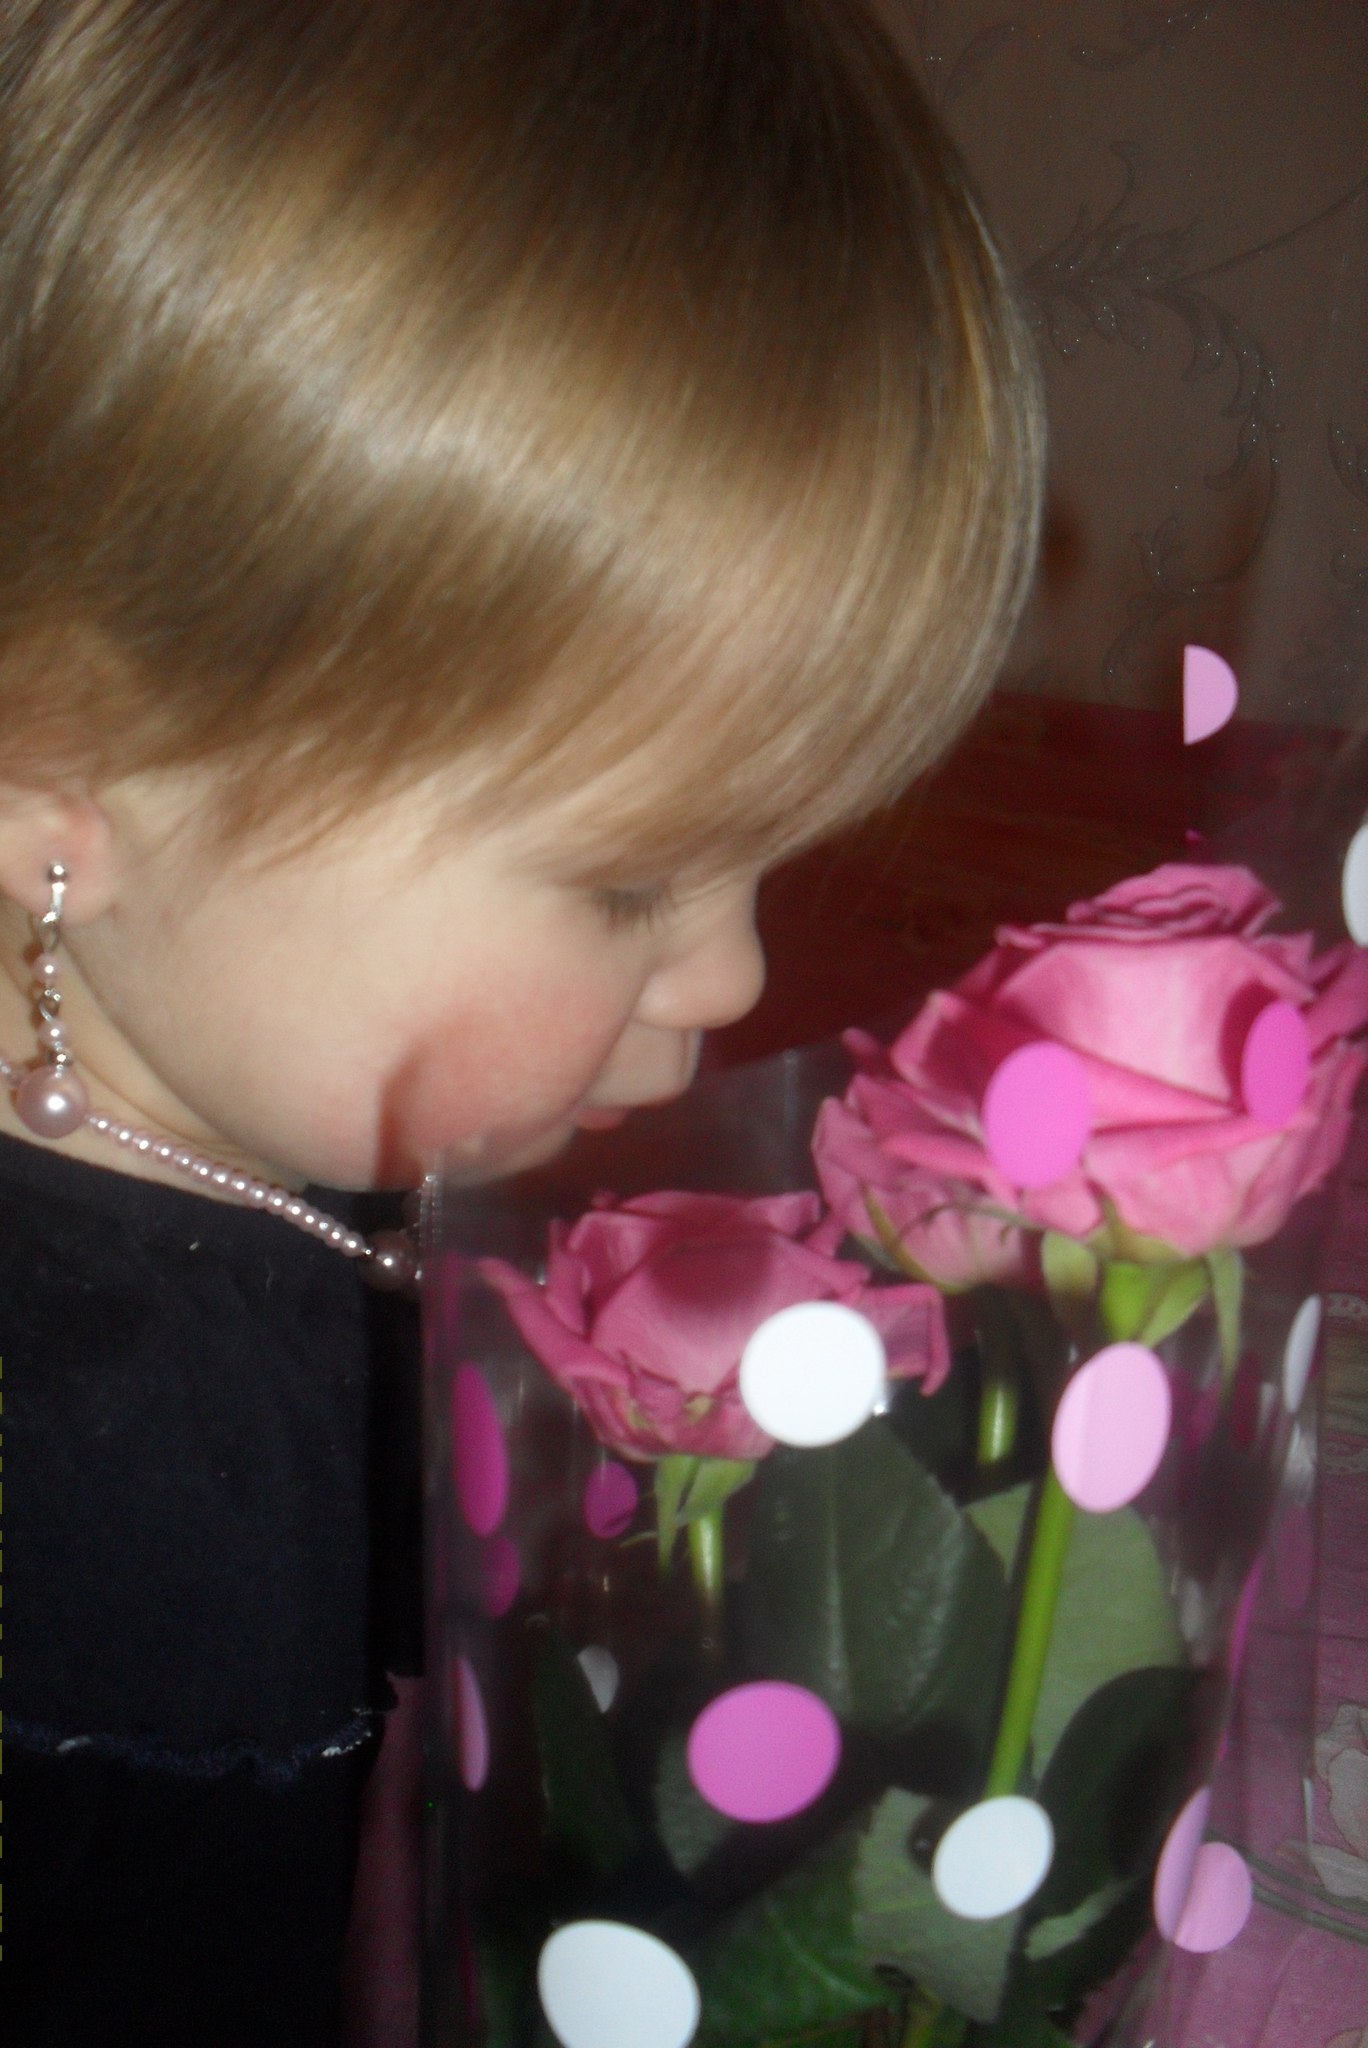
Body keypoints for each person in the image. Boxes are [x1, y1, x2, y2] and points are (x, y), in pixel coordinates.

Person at [0, 1, 1043, 2041]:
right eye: (629, 882)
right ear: (56, 773)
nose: (733, 979)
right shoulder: (130, 1486)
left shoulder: (234, 1143)